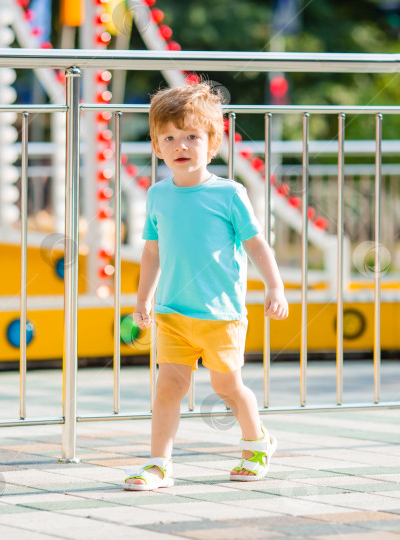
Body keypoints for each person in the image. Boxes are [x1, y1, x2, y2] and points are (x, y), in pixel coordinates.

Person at [123, 82, 289, 491]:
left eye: (192, 136)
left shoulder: (229, 194)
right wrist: (143, 299)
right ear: (158, 146)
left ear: (212, 142)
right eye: (170, 138)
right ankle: (159, 464)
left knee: (227, 386)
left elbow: (256, 244)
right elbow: (151, 253)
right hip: (173, 313)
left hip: (220, 315)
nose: (181, 145)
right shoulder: (158, 195)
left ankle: (257, 443)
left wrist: (275, 287)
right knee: (168, 388)